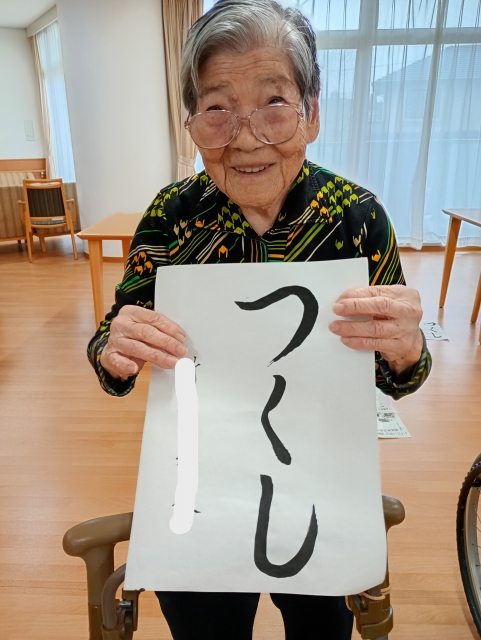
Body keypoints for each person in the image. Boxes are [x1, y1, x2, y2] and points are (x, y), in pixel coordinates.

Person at [87, 1, 432, 638]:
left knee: (320, 628)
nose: (246, 138)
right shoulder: (171, 217)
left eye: (274, 103)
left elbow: (400, 378)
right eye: (218, 109)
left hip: (322, 485)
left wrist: (408, 348)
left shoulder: (358, 219)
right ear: (192, 124)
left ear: (312, 113)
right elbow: (112, 350)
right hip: (200, 484)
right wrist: (115, 347)